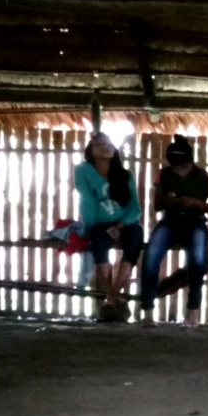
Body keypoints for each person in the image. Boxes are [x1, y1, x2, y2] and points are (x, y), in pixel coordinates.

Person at [140, 135, 208, 328]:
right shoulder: (164, 175)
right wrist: (168, 200)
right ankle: (148, 312)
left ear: (190, 162)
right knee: (151, 255)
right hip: (170, 221)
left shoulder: (204, 177)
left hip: (196, 221)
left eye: (182, 167)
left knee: (197, 260)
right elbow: (156, 206)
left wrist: (195, 203)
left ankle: (193, 312)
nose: (178, 170)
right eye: (175, 167)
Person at [75, 132, 144, 322]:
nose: (105, 147)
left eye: (109, 144)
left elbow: (135, 208)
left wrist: (120, 225)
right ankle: (114, 298)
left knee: (135, 238)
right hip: (100, 223)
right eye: (100, 145)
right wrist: (90, 228)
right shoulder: (83, 171)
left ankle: (110, 298)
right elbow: (86, 200)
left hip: (126, 222)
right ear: (91, 151)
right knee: (98, 240)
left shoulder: (124, 175)